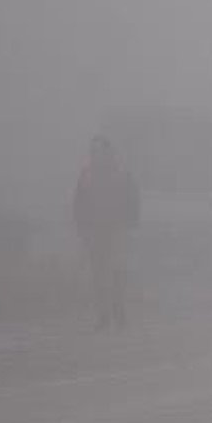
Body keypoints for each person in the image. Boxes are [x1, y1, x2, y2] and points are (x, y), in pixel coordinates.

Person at [73, 135, 139, 331]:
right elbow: (79, 202)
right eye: (94, 151)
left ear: (108, 153)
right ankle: (104, 315)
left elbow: (132, 199)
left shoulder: (122, 174)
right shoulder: (87, 175)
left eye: (100, 150)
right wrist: (82, 225)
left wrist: (129, 223)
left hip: (117, 229)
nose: (96, 154)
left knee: (117, 270)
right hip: (95, 231)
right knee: (99, 274)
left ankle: (119, 310)